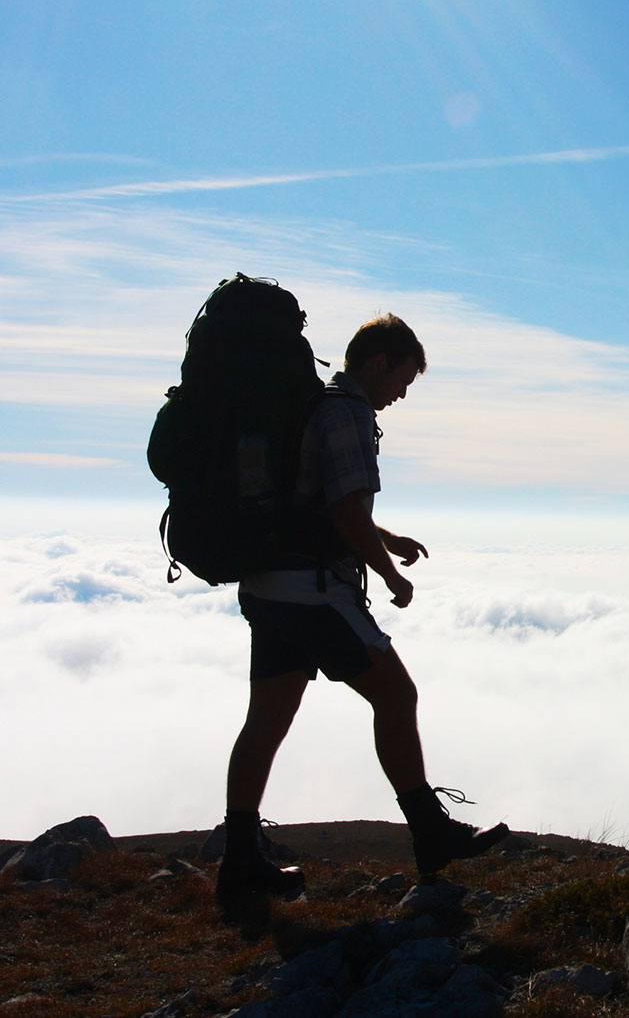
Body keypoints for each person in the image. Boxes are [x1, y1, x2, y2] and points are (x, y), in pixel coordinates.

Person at [216, 312, 507, 910]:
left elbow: (324, 504)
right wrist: (389, 573)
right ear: (378, 363)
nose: (401, 394)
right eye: (402, 379)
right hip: (314, 594)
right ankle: (431, 835)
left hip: (269, 586)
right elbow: (346, 513)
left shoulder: (315, 406)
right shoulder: (348, 414)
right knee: (396, 696)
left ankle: (240, 861)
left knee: (267, 719)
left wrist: (388, 538)